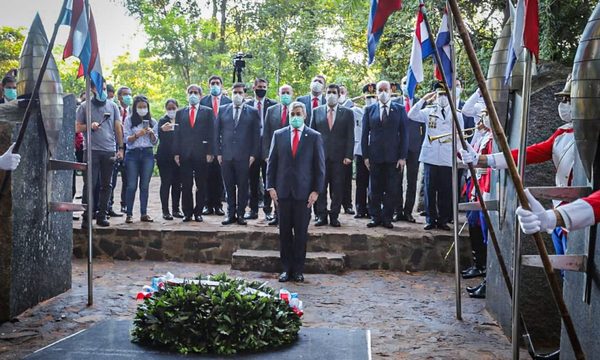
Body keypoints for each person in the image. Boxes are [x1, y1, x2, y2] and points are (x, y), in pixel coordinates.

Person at [461, 75, 576, 256]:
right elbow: (526, 154)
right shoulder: (562, 134)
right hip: (559, 211)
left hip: (579, 215)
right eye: (563, 99)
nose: (564, 104)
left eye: (569, 99)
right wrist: (483, 160)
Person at [267, 101, 325, 283]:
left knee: (300, 234)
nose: (295, 116)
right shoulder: (279, 135)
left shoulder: (314, 136)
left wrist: (316, 191)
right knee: (284, 233)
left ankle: (298, 270)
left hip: (304, 194)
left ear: (305, 115)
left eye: (299, 113)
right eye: (293, 113)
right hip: (283, 192)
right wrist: (270, 186)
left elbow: (319, 167)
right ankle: (285, 269)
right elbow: (272, 162)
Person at [408, 81, 465, 231]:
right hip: (431, 155)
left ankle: (443, 220)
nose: (443, 97)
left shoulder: (456, 113)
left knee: (446, 190)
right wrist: (423, 100)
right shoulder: (429, 111)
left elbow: (460, 137)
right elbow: (411, 115)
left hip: (447, 157)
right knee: (429, 189)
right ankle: (430, 219)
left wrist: (459, 156)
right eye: (440, 94)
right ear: (435, 95)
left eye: (445, 94)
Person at [362, 80, 409, 229]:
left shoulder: (400, 109)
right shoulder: (369, 110)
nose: (383, 93)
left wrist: (402, 157)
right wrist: (366, 156)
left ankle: (387, 217)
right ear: (376, 92)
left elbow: (404, 134)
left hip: (393, 157)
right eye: (380, 90)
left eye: (385, 90)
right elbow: (364, 135)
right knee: (374, 188)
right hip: (375, 156)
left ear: (390, 91)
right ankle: (375, 217)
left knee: (391, 188)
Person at [76, 81, 124, 228]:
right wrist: (90, 126)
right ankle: (86, 216)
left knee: (107, 185)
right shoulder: (84, 107)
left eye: (104, 88)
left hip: (108, 150)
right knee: (90, 184)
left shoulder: (113, 106)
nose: (102, 91)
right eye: (99, 88)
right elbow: (77, 127)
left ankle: (102, 215)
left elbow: (117, 127)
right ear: (92, 89)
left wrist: (121, 148)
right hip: (91, 150)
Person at [216, 82, 261, 225]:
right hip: (226, 155)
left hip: (244, 156)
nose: (237, 95)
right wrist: (218, 152)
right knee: (228, 186)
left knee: (242, 186)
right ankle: (230, 214)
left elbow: (256, 135)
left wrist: (253, 154)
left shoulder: (252, 112)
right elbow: (216, 133)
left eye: (240, 93)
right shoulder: (223, 110)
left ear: (244, 95)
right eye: (235, 92)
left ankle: (240, 214)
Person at [310, 84, 354, 227]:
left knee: (337, 188)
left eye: (334, 92)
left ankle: (334, 216)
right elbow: (312, 135)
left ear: (339, 94)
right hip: (321, 157)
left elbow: (350, 136)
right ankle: (321, 216)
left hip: (339, 158)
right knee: (320, 187)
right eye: (328, 92)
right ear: (324, 93)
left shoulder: (347, 113)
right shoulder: (316, 112)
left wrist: (348, 155)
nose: (331, 95)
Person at [174, 84, 216, 222]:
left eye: (195, 92)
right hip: (185, 154)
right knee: (186, 185)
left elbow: (212, 133)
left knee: (201, 184)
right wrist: (176, 153)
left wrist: (211, 152)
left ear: (200, 95)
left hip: (202, 153)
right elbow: (177, 134)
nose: (193, 95)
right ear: (187, 95)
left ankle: (198, 212)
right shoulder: (180, 113)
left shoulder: (208, 112)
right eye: (190, 92)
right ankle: (187, 212)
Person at [393, 77, 425, 223]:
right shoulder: (394, 104)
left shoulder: (422, 104)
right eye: (404, 82)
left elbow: (425, 129)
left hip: (414, 147)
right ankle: (397, 211)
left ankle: (408, 212)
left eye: (410, 82)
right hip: (397, 148)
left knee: (412, 181)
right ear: (401, 85)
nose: (407, 85)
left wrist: (422, 145)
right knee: (396, 181)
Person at [263, 84, 295, 226]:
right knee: (274, 186)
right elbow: (266, 135)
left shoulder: (297, 111)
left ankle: (290, 216)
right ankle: (277, 214)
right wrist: (266, 154)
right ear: (279, 94)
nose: (285, 95)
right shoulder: (271, 110)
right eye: (283, 92)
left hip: (292, 156)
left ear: (292, 94)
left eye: (288, 92)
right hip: (274, 156)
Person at [245, 78, 277, 220]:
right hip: (251, 148)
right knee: (252, 181)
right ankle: (253, 210)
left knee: (268, 180)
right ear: (254, 87)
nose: (262, 89)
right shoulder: (247, 105)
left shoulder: (273, 105)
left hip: (268, 149)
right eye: (259, 86)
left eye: (264, 86)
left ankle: (268, 210)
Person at [123, 95, 158, 223]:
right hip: (133, 154)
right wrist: (138, 134)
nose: (142, 109)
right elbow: (126, 140)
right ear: (135, 108)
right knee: (131, 185)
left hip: (147, 154)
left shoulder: (153, 122)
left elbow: (155, 142)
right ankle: (129, 213)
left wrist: (151, 133)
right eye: (140, 107)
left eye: (145, 107)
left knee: (144, 185)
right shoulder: (129, 120)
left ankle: (144, 213)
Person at [200, 75, 230, 216]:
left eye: (217, 83)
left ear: (222, 85)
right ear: (209, 85)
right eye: (212, 83)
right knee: (206, 175)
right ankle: (207, 204)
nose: (215, 85)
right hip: (207, 145)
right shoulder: (203, 101)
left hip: (223, 145)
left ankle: (218, 205)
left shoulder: (228, 101)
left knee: (219, 176)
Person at [108, 86, 133, 216]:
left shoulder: (134, 112)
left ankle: (125, 205)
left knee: (128, 179)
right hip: (115, 147)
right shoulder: (113, 109)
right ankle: (109, 206)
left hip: (130, 149)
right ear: (119, 97)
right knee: (111, 179)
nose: (128, 97)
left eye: (129, 94)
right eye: (124, 94)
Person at [156, 99, 183, 220]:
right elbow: (159, 137)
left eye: (174, 108)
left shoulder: (181, 120)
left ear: (177, 108)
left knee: (177, 184)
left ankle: (176, 209)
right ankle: (165, 211)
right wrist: (162, 130)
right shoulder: (163, 121)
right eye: (169, 108)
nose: (172, 110)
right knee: (166, 183)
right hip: (164, 157)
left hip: (178, 157)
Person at [353, 83, 377, 219]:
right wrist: (358, 98)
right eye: (368, 97)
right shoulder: (356, 111)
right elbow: (343, 105)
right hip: (361, 151)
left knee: (374, 182)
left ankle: (372, 208)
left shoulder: (379, 111)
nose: (370, 100)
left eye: (373, 97)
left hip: (375, 151)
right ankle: (360, 208)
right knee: (361, 182)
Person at [339, 84, 355, 215]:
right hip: (330, 151)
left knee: (346, 181)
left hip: (345, 151)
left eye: (343, 92)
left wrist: (349, 154)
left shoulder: (352, 109)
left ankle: (347, 205)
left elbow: (351, 134)